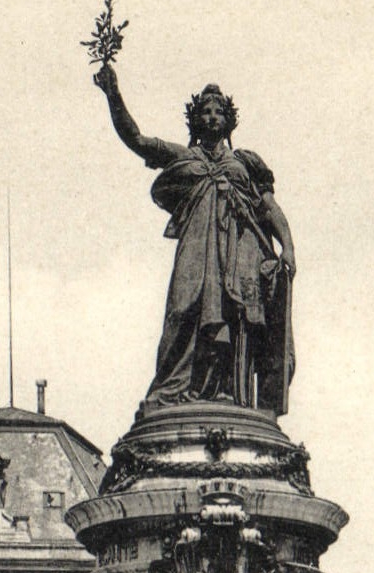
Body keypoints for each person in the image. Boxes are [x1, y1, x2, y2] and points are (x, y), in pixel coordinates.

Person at [94, 65, 295, 415]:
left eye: (218, 111)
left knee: (233, 316)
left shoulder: (245, 163)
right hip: (197, 247)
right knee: (182, 308)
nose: (212, 116)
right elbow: (137, 140)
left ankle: (226, 392)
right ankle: (172, 388)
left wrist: (288, 245)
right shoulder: (185, 157)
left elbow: (268, 207)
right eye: (205, 111)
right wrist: (113, 95)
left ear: (229, 120)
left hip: (239, 253)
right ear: (195, 119)